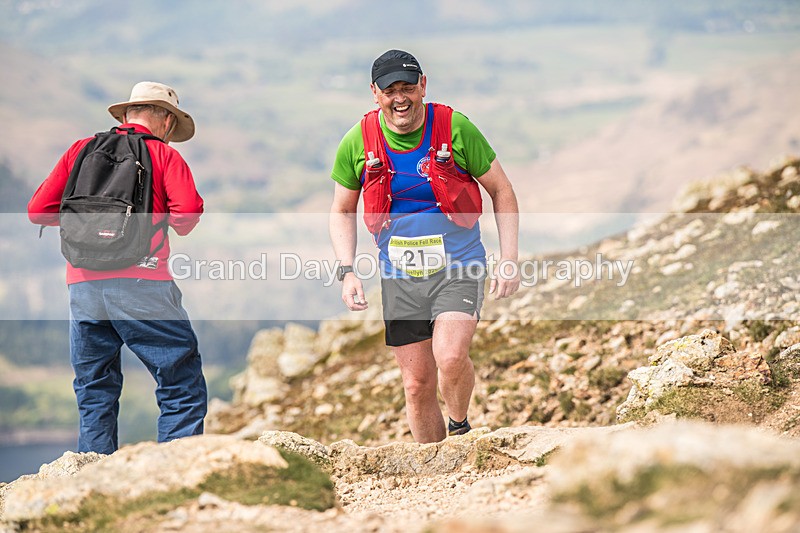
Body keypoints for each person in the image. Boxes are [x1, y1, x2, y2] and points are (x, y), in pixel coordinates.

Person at [329, 50, 520, 443]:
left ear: (423, 87)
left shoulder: (455, 127)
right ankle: (436, 471)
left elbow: (501, 190)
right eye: (390, 90)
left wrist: (509, 259)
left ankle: (461, 427)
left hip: (459, 266)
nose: (401, 98)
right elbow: (342, 209)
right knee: (416, 385)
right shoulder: (358, 141)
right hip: (399, 276)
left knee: (449, 357)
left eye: (408, 88)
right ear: (374, 94)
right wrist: (346, 270)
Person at [27, 81, 207, 455]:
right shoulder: (164, 156)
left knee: (95, 388)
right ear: (166, 121)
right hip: (144, 280)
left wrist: (93, 229)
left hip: (83, 286)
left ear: (125, 114)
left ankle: (92, 475)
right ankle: (177, 473)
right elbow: (186, 217)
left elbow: (37, 211)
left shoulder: (81, 150)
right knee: (179, 381)